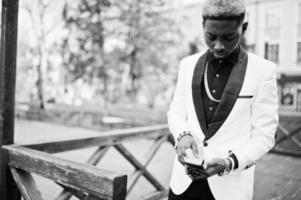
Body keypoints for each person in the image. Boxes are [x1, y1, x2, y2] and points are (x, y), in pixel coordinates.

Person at [167, 0, 279, 199]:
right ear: (203, 27)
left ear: (243, 28)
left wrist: (229, 163)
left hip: (230, 188)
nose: (218, 46)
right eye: (211, 37)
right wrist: (183, 134)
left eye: (228, 37)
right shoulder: (187, 65)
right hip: (182, 183)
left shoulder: (264, 71)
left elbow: (265, 134)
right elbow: (176, 112)